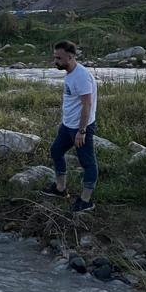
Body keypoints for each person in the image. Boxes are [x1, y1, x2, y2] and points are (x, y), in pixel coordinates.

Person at [41, 40, 98, 212]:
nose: (55, 61)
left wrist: (82, 131)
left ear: (70, 57)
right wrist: (65, 123)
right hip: (68, 126)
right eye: (54, 57)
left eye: (58, 58)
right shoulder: (69, 72)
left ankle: (86, 201)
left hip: (80, 128)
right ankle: (60, 189)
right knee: (56, 151)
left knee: (87, 163)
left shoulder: (81, 76)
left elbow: (87, 105)